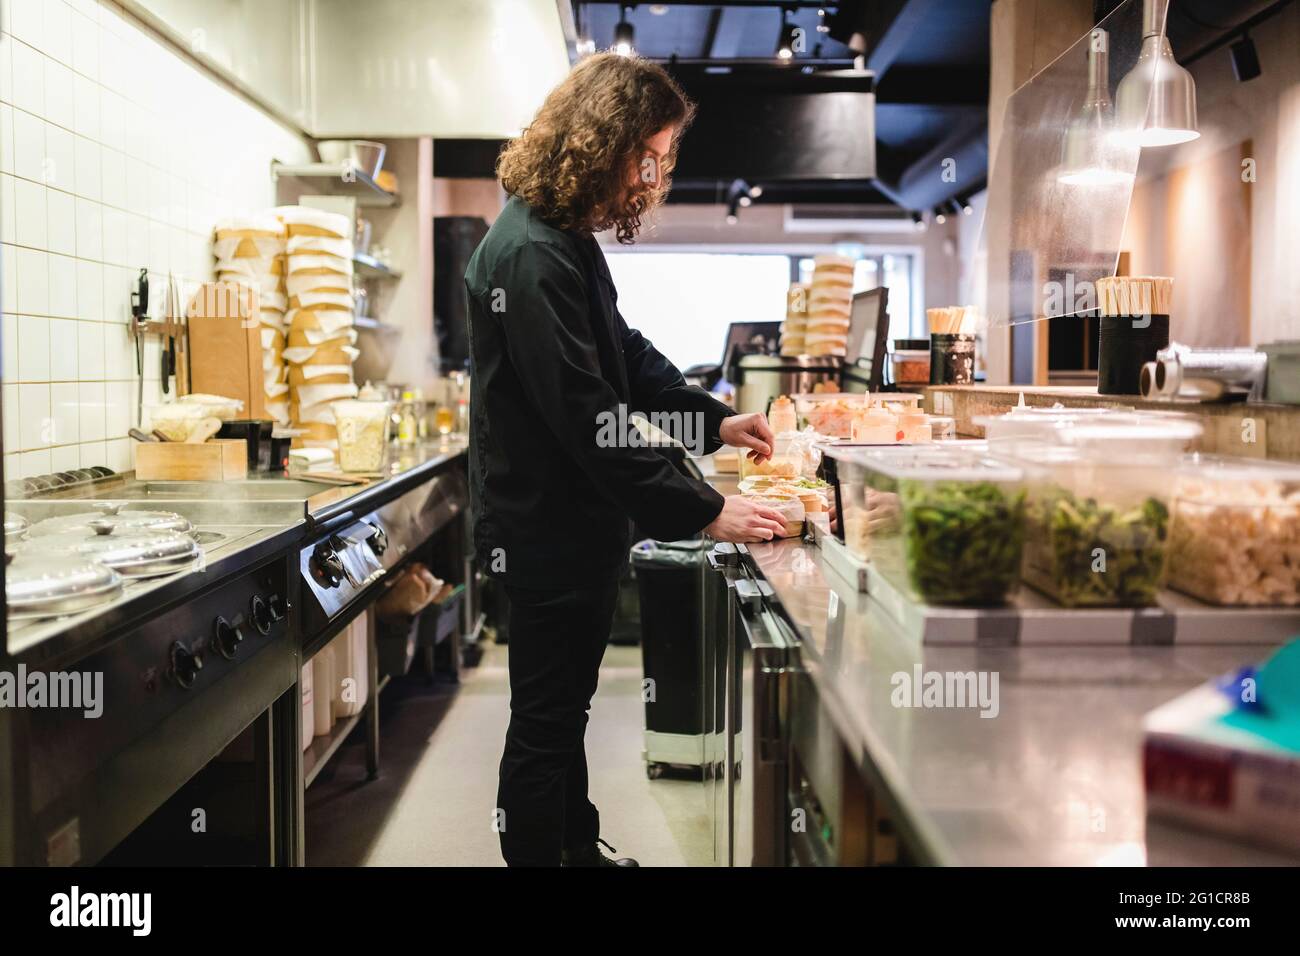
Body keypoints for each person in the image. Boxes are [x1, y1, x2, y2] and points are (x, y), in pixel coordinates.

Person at [464, 52, 787, 867]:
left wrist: (715, 423)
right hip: (545, 532)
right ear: (606, 142)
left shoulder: (559, 235)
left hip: (566, 525)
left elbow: (626, 358)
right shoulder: (531, 253)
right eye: (652, 156)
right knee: (545, 720)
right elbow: (589, 415)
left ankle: (574, 849)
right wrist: (706, 508)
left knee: (562, 712)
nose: (654, 175)